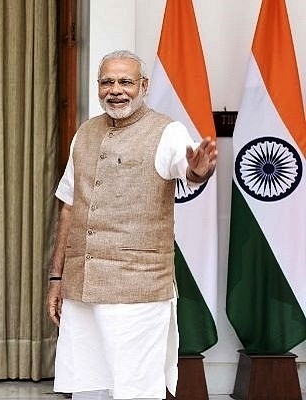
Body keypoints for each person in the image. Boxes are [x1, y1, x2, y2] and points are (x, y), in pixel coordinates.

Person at [46, 50, 217, 400]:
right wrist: (56, 278)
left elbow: (188, 170)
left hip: (137, 290)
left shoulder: (167, 131)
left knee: (136, 390)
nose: (116, 90)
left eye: (125, 81)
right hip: (82, 288)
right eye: (107, 82)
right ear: (98, 87)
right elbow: (69, 208)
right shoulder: (85, 132)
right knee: (87, 388)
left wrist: (199, 171)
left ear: (143, 85)